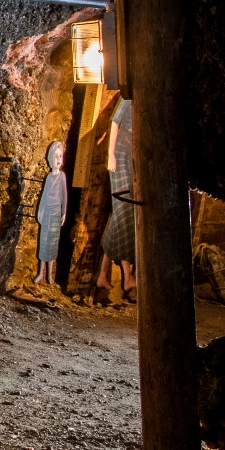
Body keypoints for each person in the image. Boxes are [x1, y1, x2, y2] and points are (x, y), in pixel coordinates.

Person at [98, 96, 137, 301]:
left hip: (130, 152)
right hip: (121, 152)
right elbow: (114, 122)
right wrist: (111, 154)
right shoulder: (127, 97)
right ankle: (127, 278)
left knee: (120, 213)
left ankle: (103, 274)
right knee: (123, 210)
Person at [34, 140, 68, 285]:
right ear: (50, 159)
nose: (58, 159)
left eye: (60, 156)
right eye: (55, 156)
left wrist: (64, 212)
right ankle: (40, 273)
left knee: (53, 244)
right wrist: (40, 211)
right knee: (44, 242)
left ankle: (49, 275)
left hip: (56, 213)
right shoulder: (49, 177)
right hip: (47, 212)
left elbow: (64, 195)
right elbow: (44, 195)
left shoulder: (62, 177)